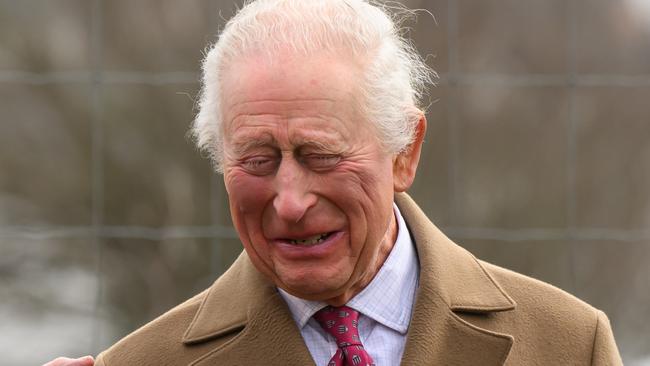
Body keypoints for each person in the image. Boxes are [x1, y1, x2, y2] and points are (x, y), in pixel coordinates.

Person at [45, 0, 622, 365]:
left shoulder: (568, 345)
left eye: (320, 155)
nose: (290, 203)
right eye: (257, 159)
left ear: (405, 151)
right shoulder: (146, 364)